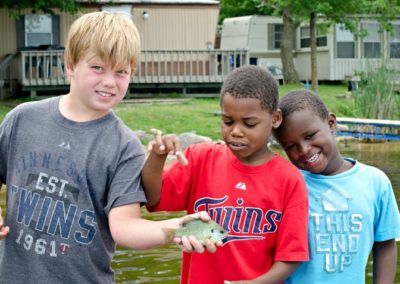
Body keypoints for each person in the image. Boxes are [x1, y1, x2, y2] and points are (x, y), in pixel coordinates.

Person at [0, 11, 214, 283]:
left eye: (121, 72)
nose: (109, 82)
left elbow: (124, 227)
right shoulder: (22, 118)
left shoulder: (125, 147)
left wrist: (176, 228)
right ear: (70, 65)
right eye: (98, 68)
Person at [142, 65, 310, 284]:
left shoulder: (290, 180)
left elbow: (292, 256)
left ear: (275, 118)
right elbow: (151, 197)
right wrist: (157, 156)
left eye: (249, 124)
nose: (236, 131)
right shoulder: (200, 159)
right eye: (228, 121)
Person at [273, 90, 400, 283]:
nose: (304, 150)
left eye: (309, 136)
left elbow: (385, 245)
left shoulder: (376, 182)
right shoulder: (286, 183)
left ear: (331, 123)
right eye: (291, 147)